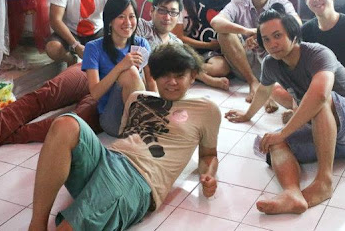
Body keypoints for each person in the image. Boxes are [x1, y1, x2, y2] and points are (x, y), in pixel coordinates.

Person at [29, 43, 220, 231]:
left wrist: (208, 175)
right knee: (65, 123)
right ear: (154, 76)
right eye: (165, 76)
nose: (172, 82)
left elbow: (209, 155)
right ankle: (37, 224)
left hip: (139, 178)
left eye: (179, 76)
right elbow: (125, 139)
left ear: (192, 76)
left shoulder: (206, 109)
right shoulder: (137, 98)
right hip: (108, 159)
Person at [225, 6, 345, 215]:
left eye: (277, 36)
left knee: (318, 101)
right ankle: (292, 194)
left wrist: (284, 132)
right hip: (329, 134)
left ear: (293, 34)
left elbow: (320, 96)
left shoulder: (319, 54)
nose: (272, 44)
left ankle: (324, 182)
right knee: (273, 143)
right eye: (266, 39)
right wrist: (247, 115)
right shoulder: (271, 63)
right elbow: (264, 91)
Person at [211, 0, 301, 110]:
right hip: (244, 61)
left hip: (273, 61)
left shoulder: (281, 3)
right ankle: (253, 82)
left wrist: (262, 37)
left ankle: (269, 89)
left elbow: (297, 24)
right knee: (224, 34)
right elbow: (216, 22)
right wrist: (247, 31)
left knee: (290, 40)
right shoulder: (238, 3)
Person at [0, 64, 100, 154]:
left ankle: (3, 136)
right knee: (46, 94)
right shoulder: (98, 47)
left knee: (74, 123)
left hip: (108, 92)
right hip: (92, 68)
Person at [82, 0, 151, 137]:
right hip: (112, 119)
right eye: (121, 17)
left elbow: (151, 83)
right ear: (110, 21)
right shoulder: (93, 48)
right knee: (130, 72)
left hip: (138, 113)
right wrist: (121, 66)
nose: (128, 22)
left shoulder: (141, 44)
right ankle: (143, 129)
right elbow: (95, 94)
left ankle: (144, 125)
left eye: (132, 16)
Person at [138, 0, 228, 91]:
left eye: (173, 12)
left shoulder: (176, 43)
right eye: (162, 11)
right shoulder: (142, 27)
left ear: (178, 16)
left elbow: (187, 66)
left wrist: (209, 80)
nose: (167, 17)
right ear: (152, 11)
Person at [170, 0, 230, 90]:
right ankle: (206, 79)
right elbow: (178, 38)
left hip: (193, 51)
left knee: (222, 68)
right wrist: (209, 45)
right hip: (177, 47)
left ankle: (183, 68)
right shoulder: (176, 3)